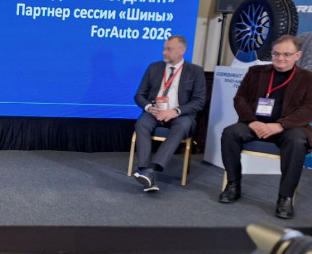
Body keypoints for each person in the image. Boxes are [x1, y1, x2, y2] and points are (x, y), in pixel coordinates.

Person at [219, 35, 312, 219]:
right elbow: (240, 99)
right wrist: (252, 121)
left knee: (297, 141)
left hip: (288, 128)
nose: (280, 58)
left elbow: (309, 108)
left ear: (298, 55)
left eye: (286, 54)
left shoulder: (308, 78)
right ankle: (233, 185)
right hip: (255, 123)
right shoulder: (255, 72)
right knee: (230, 133)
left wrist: (280, 125)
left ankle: (285, 197)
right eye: (276, 54)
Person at [132, 35, 206, 192]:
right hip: (155, 112)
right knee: (142, 123)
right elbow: (139, 95)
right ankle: (144, 168)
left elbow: (199, 101)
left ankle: (151, 170)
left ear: (182, 50)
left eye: (169, 49)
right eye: (164, 49)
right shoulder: (154, 68)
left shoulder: (195, 71)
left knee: (183, 125)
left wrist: (175, 111)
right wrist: (149, 107)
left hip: (180, 115)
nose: (164, 52)